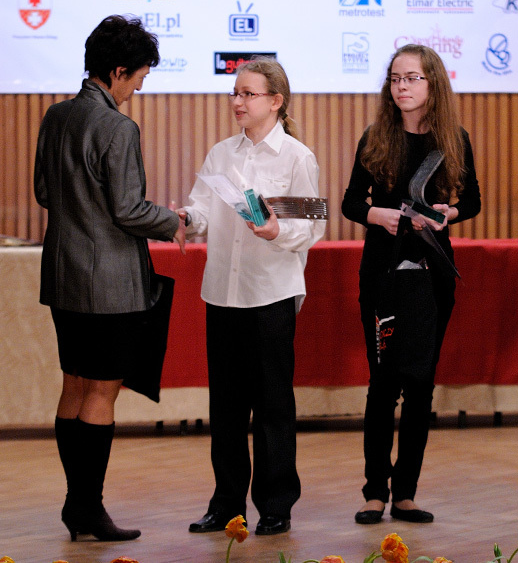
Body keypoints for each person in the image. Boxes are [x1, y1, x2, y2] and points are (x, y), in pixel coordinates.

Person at [34, 15, 186, 541]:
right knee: (102, 392)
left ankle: (77, 506)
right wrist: (172, 221)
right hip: (110, 285)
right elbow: (128, 209)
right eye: (139, 76)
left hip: (63, 277)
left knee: (74, 385)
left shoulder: (56, 116)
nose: (139, 87)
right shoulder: (118, 127)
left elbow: (44, 193)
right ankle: (87, 508)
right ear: (119, 70)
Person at [180, 57, 325, 536]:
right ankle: (226, 504)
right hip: (223, 293)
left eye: (248, 94)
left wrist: (277, 230)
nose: (238, 102)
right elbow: (203, 208)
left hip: (271, 294)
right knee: (225, 407)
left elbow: (313, 227)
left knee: (272, 406)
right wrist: (187, 219)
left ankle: (276, 505)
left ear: (276, 101)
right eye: (235, 93)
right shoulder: (221, 153)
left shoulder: (297, 157)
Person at [342, 44, 480, 525]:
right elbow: (351, 203)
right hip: (382, 273)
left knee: (420, 384)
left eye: (412, 78)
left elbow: (472, 201)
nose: (401, 86)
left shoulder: (454, 139)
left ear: (433, 84)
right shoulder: (376, 137)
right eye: (395, 78)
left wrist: (449, 213)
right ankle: (374, 493)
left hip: (432, 274)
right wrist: (378, 215)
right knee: (383, 384)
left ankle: (405, 494)